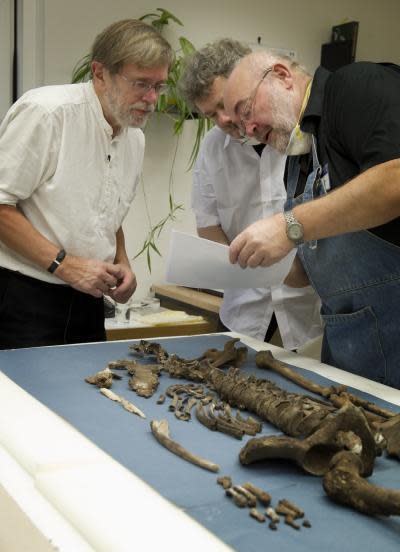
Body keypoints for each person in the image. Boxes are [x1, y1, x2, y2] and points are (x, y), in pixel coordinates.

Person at [223, 49, 400, 387]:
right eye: (240, 125)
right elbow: (314, 269)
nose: (249, 128)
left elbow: (395, 178)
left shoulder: (354, 86)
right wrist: (269, 264)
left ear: (282, 76)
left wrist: (286, 227)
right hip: (351, 367)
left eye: (246, 110)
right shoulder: (298, 161)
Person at [0, 19, 173, 349]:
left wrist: (122, 261)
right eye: (140, 84)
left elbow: (110, 216)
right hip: (24, 298)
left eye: (159, 86)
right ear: (100, 72)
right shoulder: (47, 113)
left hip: (88, 301)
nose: (152, 99)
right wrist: (64, 266)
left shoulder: (134, 137)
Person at [178, 40, 322, 349]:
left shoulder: (301, 134)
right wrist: (247, 267)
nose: (223, 120)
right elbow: (209, 226)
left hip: (307, 311)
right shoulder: (212, 149)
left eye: (224, 105)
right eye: (210, 115)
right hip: (243, 312)